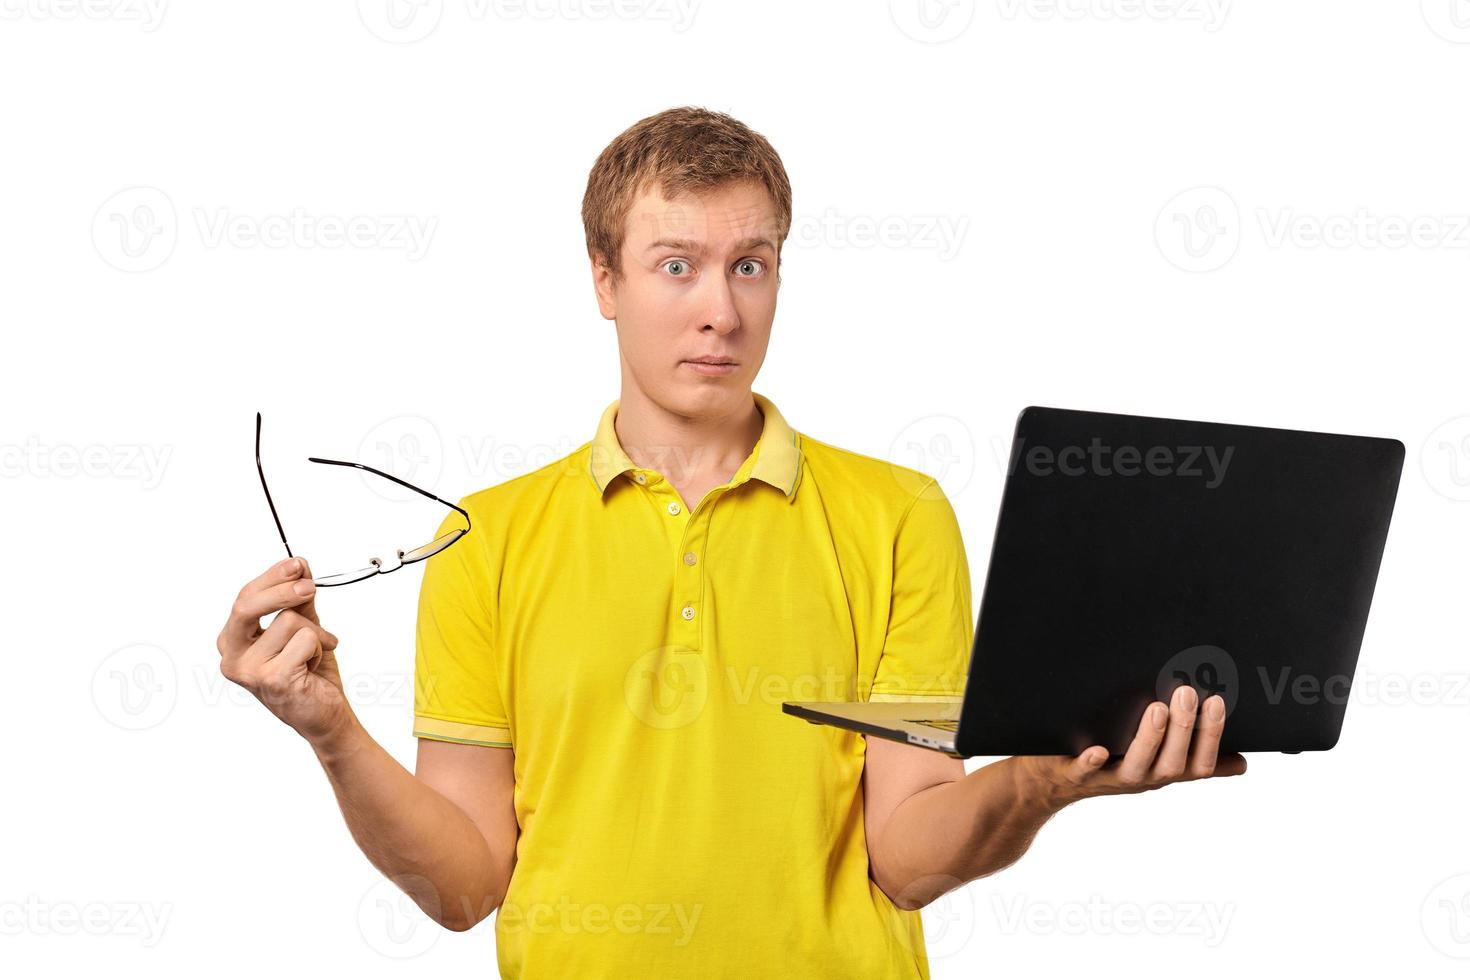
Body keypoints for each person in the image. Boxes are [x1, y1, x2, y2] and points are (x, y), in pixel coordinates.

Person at [216, 105, 1246, 979]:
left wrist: (1043, 779)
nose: (721, 309)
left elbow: (909, 855)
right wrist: (332, 728)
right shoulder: (489, 538)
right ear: (604, 281)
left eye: (749, 265)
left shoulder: (897, 515)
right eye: (677, 265)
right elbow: (466, 882)